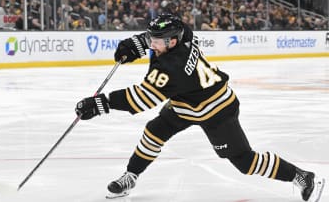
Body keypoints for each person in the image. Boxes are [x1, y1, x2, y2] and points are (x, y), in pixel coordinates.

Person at [75, 14, 325, 201]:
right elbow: (178, 27)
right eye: (151, 39)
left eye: (156, 41)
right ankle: (131, 176)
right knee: (154, 131)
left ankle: (301, 176)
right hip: (185, 103)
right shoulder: (183, 35)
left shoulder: (171, 68)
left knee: (244, 162)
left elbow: (141, 99)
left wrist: (100, 104)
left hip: (216, 110)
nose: (152, 44)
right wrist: (137, 44)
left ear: (172, 43)